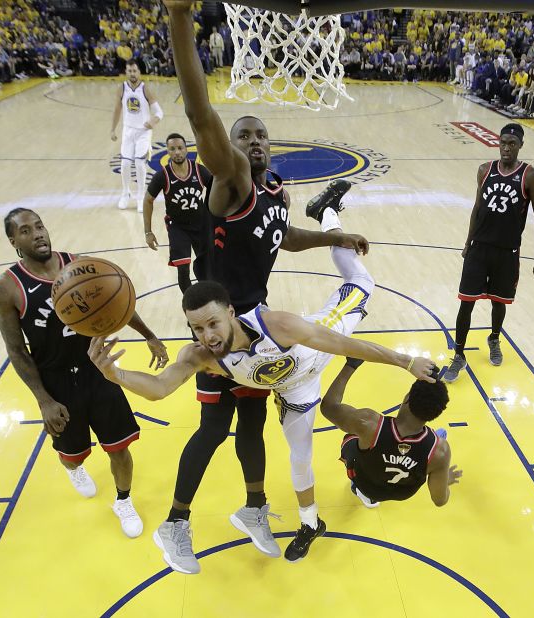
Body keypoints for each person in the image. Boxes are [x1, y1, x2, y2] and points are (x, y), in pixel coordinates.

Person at [152, 0, 377, 576]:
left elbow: (287, 237)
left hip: (255, 329)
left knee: (252, 425)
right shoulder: (229, 182)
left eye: (260, 135)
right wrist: (180, 20)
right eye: (242, 134)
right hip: (219, 327)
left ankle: (254, 508)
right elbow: (202, 117)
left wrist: (341, 233)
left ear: (271, 146)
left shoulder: (273, 189)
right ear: (228, 148)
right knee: (211, 428)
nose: (252, 141)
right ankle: (174, 522)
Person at [87, 232, 437, 561]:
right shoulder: (200, 356)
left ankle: (332, 219)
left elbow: (346, 345)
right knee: (300, 458)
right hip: (295, 388)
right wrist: (114, 374)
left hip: (322, 343)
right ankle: (310, 523)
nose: (207, 335)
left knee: (362, 284)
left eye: (212, 324)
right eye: (197, 328)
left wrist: (406, 362)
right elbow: (159, 388)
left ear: (230, 313)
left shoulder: (277, 325)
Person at [0, 208, 169, 539]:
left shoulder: (79, 266)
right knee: (72, 457)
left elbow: (116, 303)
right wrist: (43, 400)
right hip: (55, 381)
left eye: (40, 226)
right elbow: (16, 350)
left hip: (98, 368)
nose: (38, 233)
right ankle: (74, 468)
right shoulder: (6, 287)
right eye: (27, 231)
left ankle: (123, 500)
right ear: (14, 241)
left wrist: (149, 335)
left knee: (119, 448)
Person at [444, 124, 534, 382]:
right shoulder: (484, 170)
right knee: (465, 303)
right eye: (503, 143)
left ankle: (494, 337)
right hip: (479, 248)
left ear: (520, 145)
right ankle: (458, 354)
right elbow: (477, 208)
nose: (506, 148)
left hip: (507, 252)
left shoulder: (531, 175)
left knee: (499, 302)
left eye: (512, 143)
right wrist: (467, 242)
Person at [320, 358, 462, 507]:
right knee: (432, 452)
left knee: (352, 436)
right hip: (402, 493)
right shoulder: (441, 451)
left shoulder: (369, 423)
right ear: (435, 414)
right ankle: (427, 441)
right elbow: (439, 500)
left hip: (364, 483)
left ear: (407, 399)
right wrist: (444, 480)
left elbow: (329, 407)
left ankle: (361, 492)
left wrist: (351, 365)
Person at [143, 133, 212, 292]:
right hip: (178, 227)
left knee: (206, 270)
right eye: (172, 149)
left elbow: (217, 189)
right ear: (167, 151)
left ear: (186, 150)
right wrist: (148, 232)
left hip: (201, 225)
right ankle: (191, 307)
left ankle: (207, 302)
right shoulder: (163, 175)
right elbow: (148, 200)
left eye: (180, 148)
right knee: (183, 270)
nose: (177, 152)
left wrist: (216, 217)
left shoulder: (199, 170)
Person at [110, 59, 162, 211]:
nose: (132, 74)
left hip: (143, 132)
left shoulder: (146, 89)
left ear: (139, 72)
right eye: (129, 71)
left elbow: (159, 112)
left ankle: (141, 196)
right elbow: (117, 110)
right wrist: (112, 129)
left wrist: (153, 121)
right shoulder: (122, 88)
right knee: (125, 163)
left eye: (135, 71)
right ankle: (125, 193)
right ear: (126, 72)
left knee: (139, 163)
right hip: (128, 130)